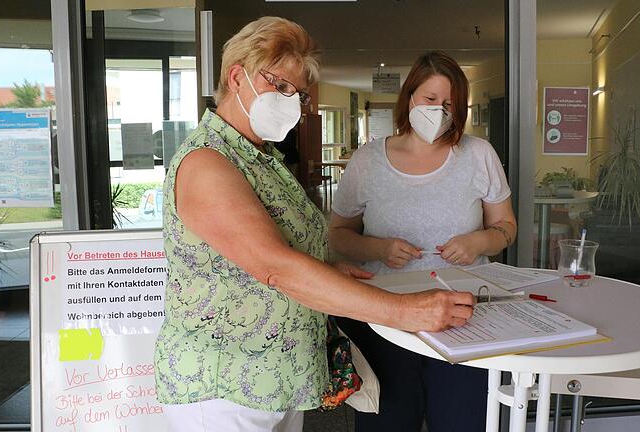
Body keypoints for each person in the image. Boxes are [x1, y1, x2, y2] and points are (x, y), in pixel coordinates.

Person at [152, 18, 476, 432]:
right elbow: (276, 267)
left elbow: (272, 253)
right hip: (224, 385)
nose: (294, 102)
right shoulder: (207, 162)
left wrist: (330, 269)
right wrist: (405, 311)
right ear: (237, 77)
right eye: (282, 87)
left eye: (299, 93)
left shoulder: (259, 157)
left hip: (276, 378)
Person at [329, 51, 517, 432]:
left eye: (449, 103)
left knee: (463, 422)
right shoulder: (368, 160)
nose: (439, 111)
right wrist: (378, 249)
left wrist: (479, 241)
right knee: (389, 423)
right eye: (430, 100)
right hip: (385, 319)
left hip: (464, 319)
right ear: (410, 98)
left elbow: (506, 227)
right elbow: (336, 235)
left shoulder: (478, 154)